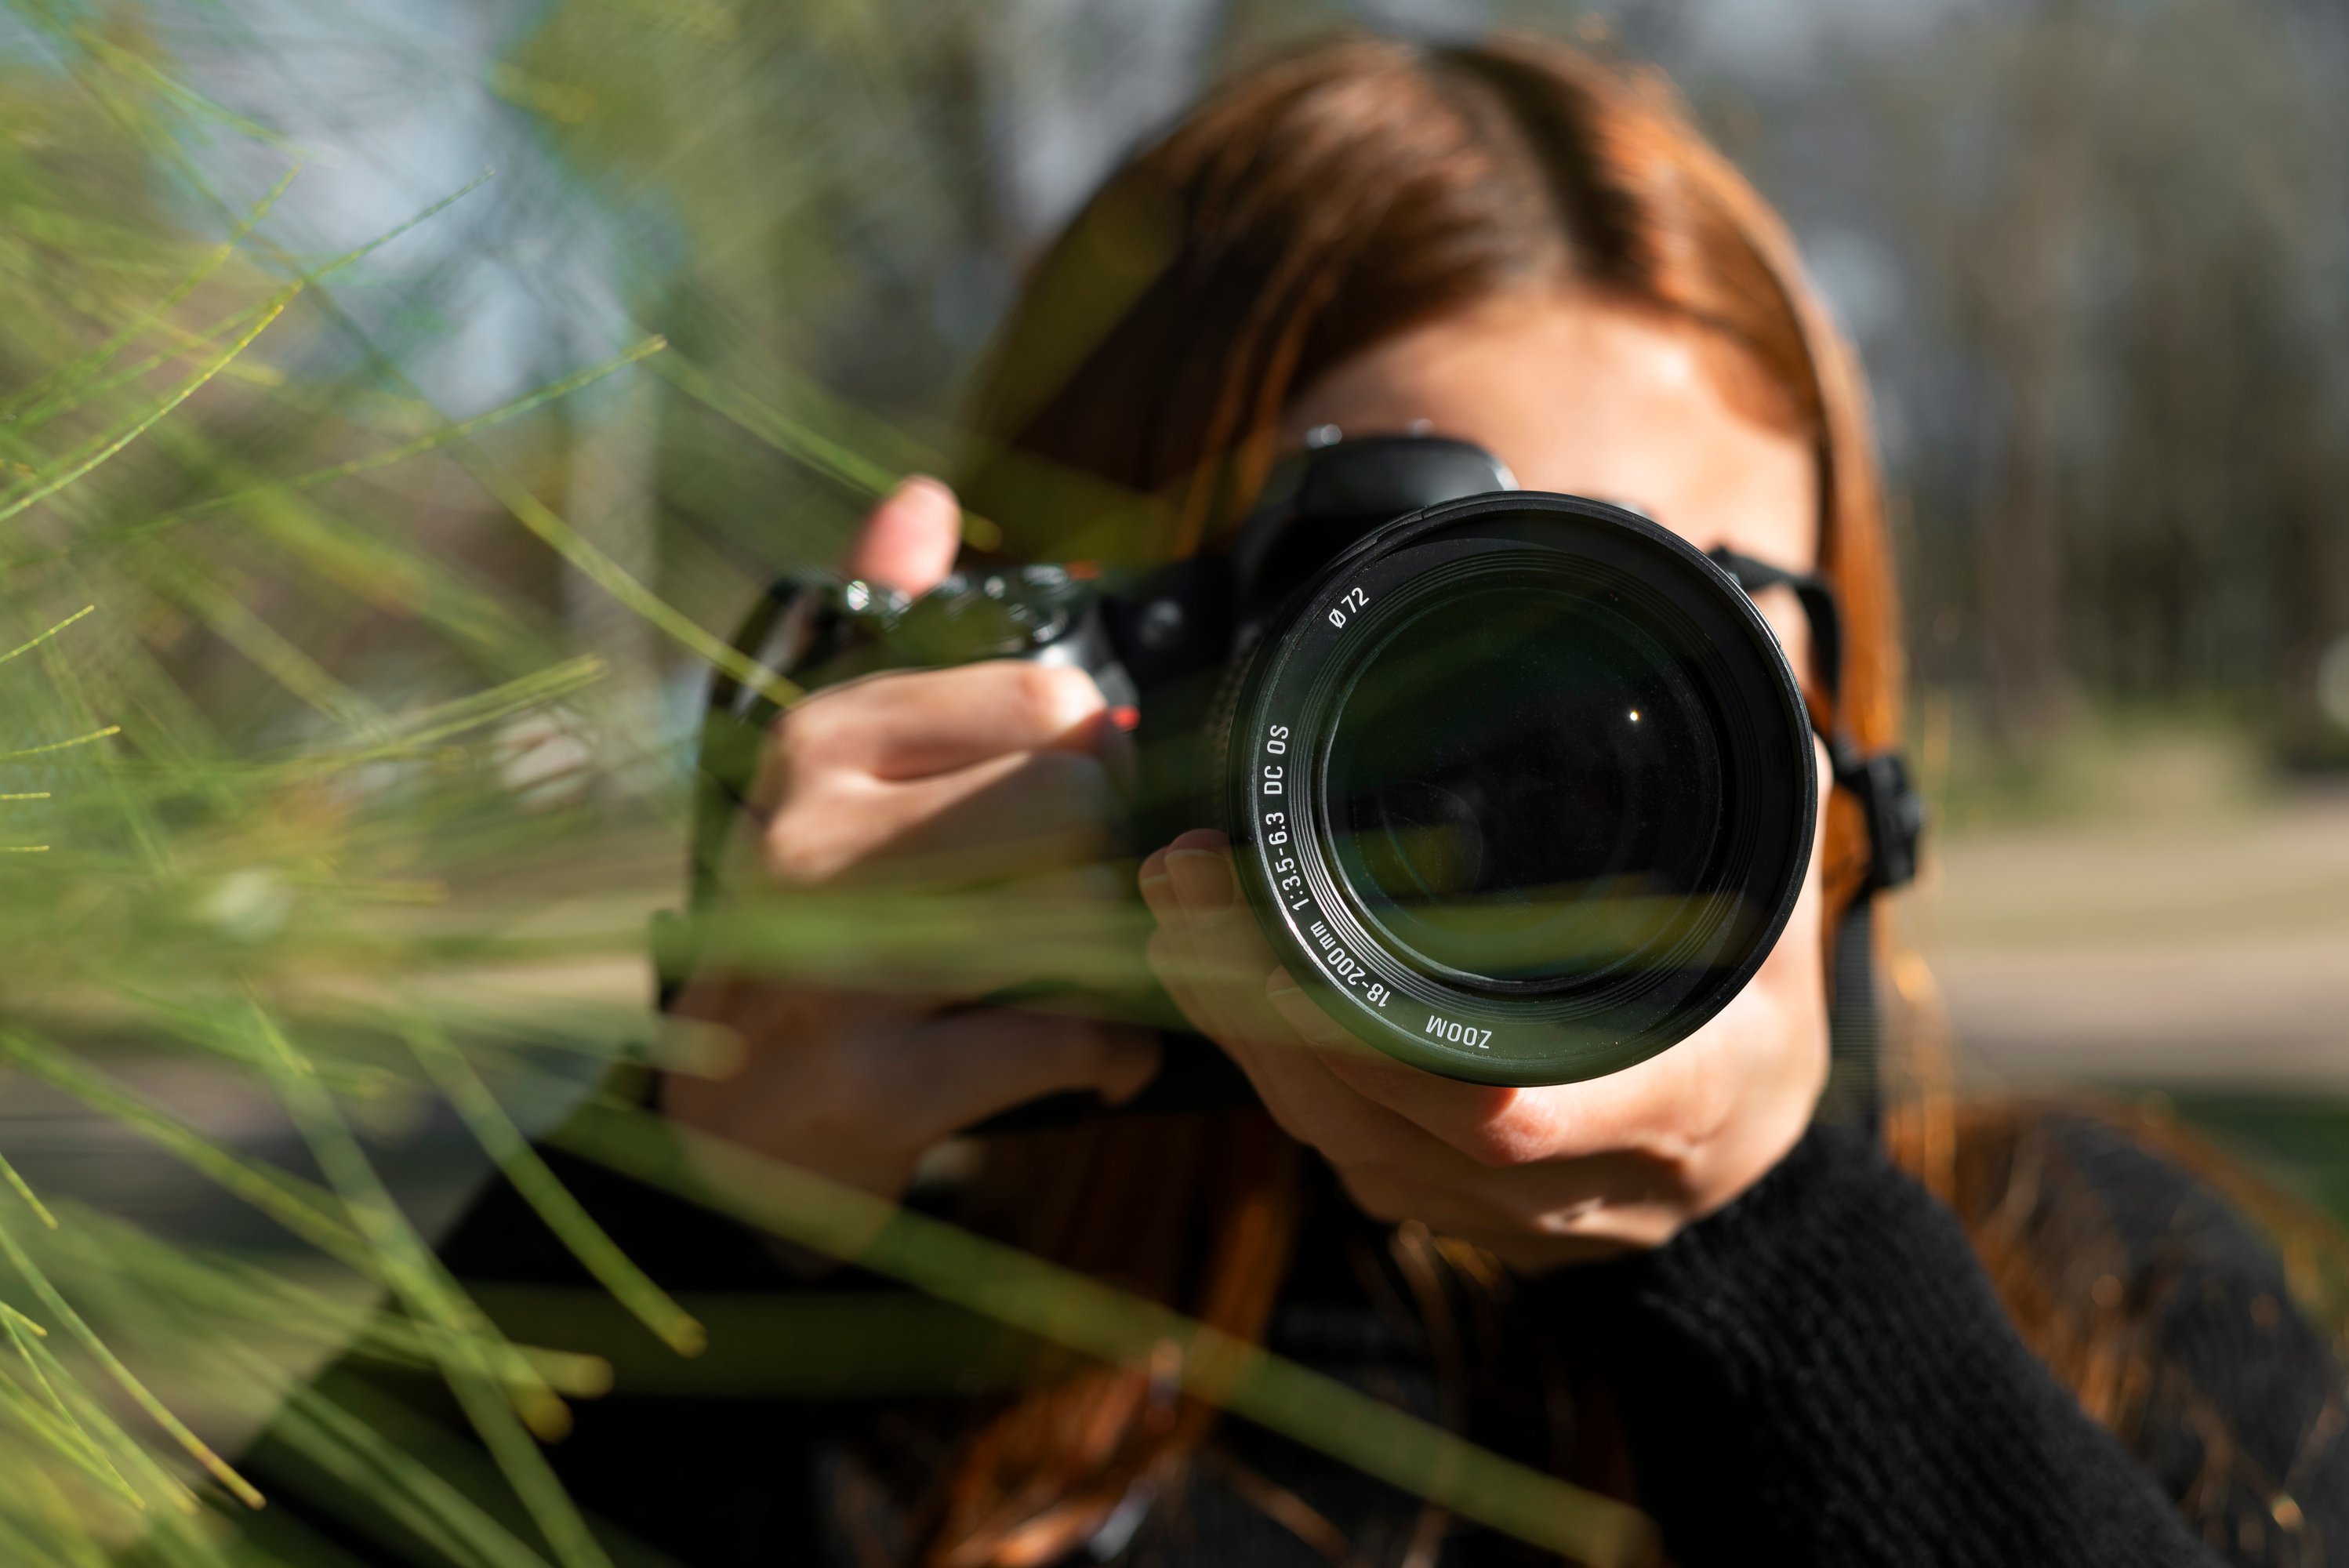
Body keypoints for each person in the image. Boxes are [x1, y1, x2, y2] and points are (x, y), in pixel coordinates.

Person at [248, 33, 2347, 1568]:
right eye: (1403, 623)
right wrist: (680, 1222)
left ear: (1840, 714)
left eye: (1683, 612)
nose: (1548, 753)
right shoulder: (865, 1347)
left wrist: (1787, 1268)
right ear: (1090, 659)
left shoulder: (2100, 1297)